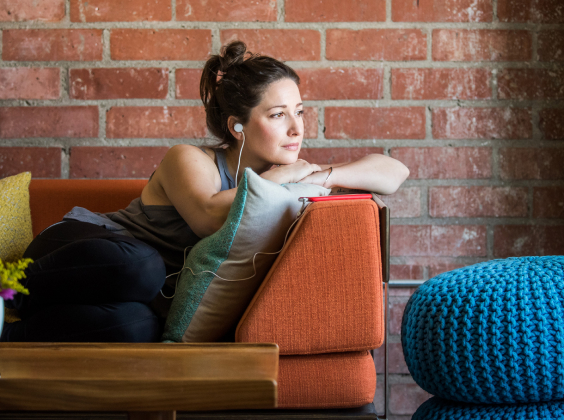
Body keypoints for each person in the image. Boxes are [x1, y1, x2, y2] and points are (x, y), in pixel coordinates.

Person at [0, 40, 409, 343]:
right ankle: (7, 291)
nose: (297, 128)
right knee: (144, 267)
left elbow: (394, 172)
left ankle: (9, 334)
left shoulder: (295, 172)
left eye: (299, 111)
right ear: (238, 126)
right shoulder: (188, 159)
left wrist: (321, 175)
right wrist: (288, 178)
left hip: (135, 294)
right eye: (278, 114)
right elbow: (210, 217)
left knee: (140, 328)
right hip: (82, 253)